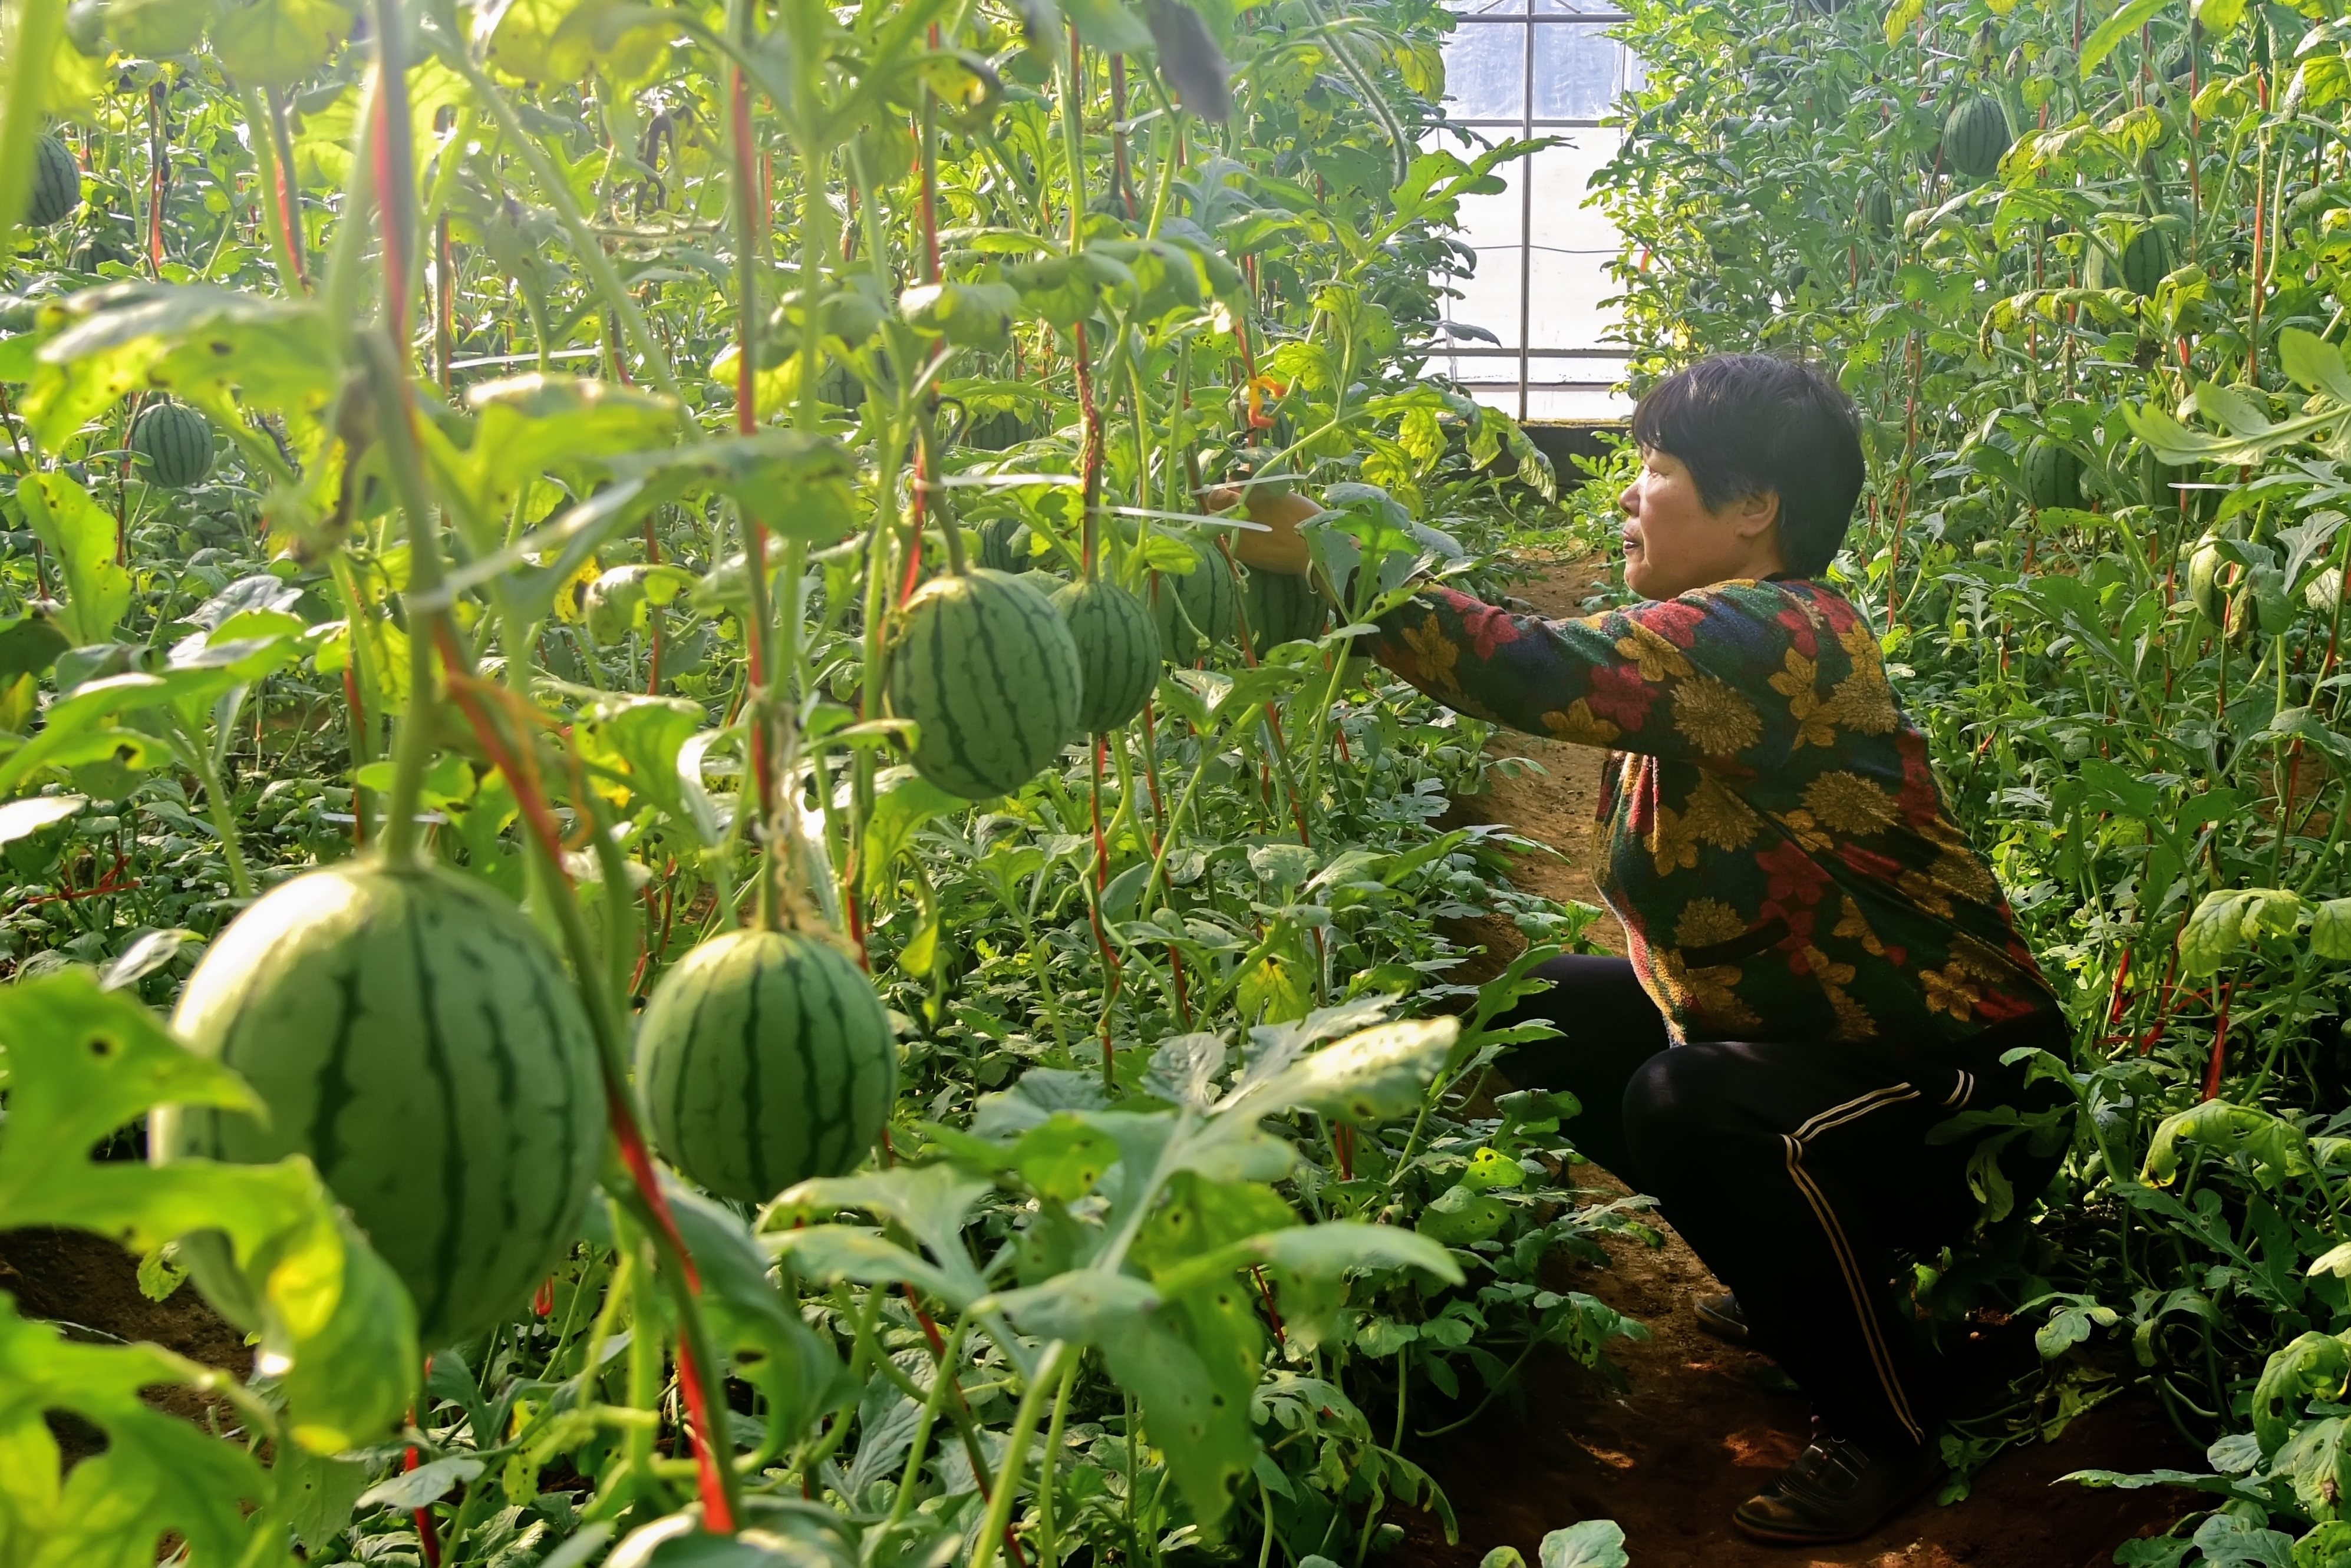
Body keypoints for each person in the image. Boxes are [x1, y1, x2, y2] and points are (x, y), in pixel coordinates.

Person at [1226, 354, 2070, 1546]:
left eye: (1657, 469)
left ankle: (1883, 1416)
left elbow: (1531, 666)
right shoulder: (1703, 649)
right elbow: (1550, 671)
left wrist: (1339, 552)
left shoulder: (1786, 632)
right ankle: (1809, 1290)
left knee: (1685, 1099)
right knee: (1552, 1008)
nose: (1628, 494)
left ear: (1752, 507)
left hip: (1968, 1082)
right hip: (1830, 1051)